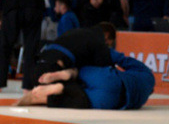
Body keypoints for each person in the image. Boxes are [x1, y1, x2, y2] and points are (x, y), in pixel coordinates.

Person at [17, 49, 154, 110]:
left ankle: (67, 74)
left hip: (110, 80)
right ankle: (59, 90)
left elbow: (120, 59)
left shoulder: (146, 73)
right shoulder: (142, 100)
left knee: (79, 70)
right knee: (77, 98)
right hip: (111, 102)